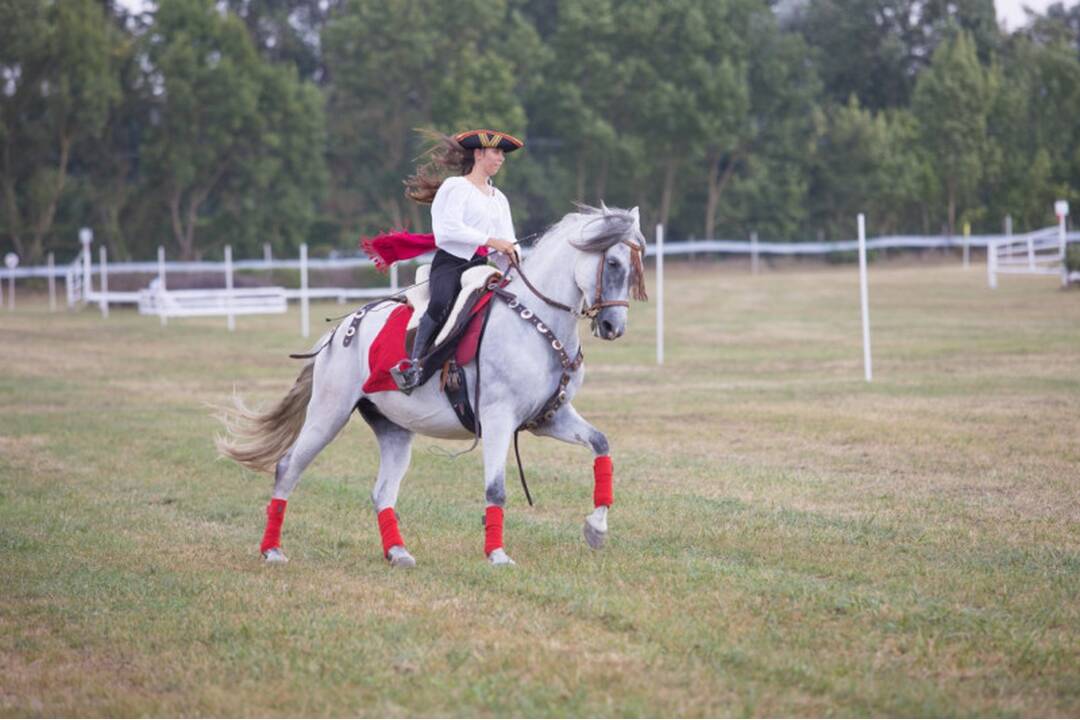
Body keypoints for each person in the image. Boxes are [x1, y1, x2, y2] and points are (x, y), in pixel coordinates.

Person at [391, 129, 524, 393]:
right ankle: (414, 365)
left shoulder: (500, 199)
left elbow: (507, 241)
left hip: (480, 268)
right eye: (496, 153)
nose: (501, 159)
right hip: (451, 263)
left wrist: (516, 262)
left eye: (502, 154)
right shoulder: (456, 187)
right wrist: (491, 241)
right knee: (441, 303)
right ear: (478, 153)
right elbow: (447, 230)